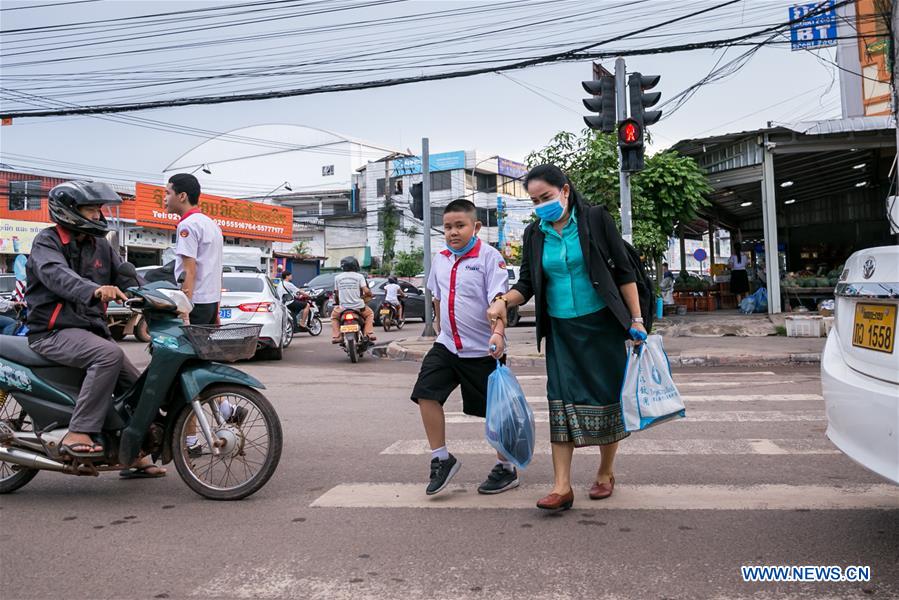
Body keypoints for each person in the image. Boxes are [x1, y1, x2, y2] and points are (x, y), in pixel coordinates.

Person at [487, 165, 647, 512]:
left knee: (606, 400)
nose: (541, 205)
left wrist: (636, 319)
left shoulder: (594, 219)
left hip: (601, 326)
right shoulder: (535, 234)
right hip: (560, 330)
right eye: (534, 201)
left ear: (565, 191)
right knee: (559, 401)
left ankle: (605, 473)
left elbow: (623, 271)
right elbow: (526, 285)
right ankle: (562, 486)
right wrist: (502, 301)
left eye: (546, 197)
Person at [24, 181, 164, 476]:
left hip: (90, 331)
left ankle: (132, 451)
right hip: (52, 331)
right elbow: (56, 275)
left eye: (99, 210)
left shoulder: (100, 244)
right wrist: (95, 290)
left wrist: (156, 296)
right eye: (91, 210)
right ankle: (78, 431)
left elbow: (126, 275)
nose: (98, 216)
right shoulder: (47, 242)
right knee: (108, 355)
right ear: (70, 212)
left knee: (137, 385)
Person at [412, 199, 513, 496]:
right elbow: (438, 297)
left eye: (460, 226)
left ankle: (506, 467)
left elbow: (499, 301)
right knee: (425, 394)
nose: (453, 232)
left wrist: (498, 333)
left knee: (494, 414)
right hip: (447, 347)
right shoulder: (440, 258)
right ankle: (441, 458)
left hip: (484, 349)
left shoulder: (489, 257)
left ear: (476, 227)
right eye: (447, 227)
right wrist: (440, 329)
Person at [164, 173, 223, 325]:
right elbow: (217, 270)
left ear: (182, 196)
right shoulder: (212, 224)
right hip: (210, 302)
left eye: (168, 193)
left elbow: (188, 271)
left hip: (194, 303)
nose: (164, 199)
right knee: (204, 348)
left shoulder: (188, 225)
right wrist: (216, 309)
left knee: (187, 348)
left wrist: (184, 311)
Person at [330, 256, 376, 343]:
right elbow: (366, 290)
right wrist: (370, 294)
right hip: (359, 307)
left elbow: (336, 293)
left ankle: (337, 336)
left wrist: (337, 302)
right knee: (370, 314)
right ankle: (368, 333)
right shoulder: (359, 276)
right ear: (355, 265)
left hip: (343, 307)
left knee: (334, 317)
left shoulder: (338, 277)